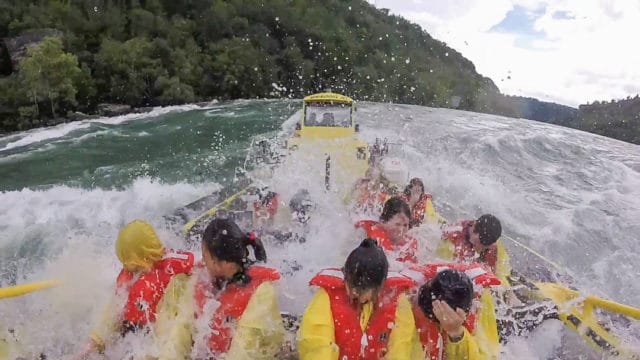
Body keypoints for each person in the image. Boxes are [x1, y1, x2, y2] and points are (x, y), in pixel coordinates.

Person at [153, 218, 284, 359]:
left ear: (217, 263)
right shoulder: (200, 281)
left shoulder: (261, 293)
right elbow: (180, 333)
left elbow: (243, 351)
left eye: (205, 256)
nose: (202, 261)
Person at [74, 220, 195, 359]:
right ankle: (92, 344)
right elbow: (115, 308)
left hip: (159, 328)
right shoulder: (132, 276)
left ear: (140, 258)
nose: (124, 265)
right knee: (113, 310)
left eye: (127, 260)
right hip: (135, 327)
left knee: (172, 302)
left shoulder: (172, 269)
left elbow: (198, 272)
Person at [297, 238, 421, 360]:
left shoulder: (397, 300)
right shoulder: (326, 296)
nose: (355, 293)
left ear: (380, 287)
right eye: (352, 286)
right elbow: (318, 346)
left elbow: (401, 349)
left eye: (362, 290)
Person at [409, 266, 501, 360]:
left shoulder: (480, 302)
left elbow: (489, 354)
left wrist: (456, 333)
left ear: (466, 313)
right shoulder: (406, 304)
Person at [436, 214, 511, 283]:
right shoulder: (455, 234)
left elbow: (492, 274)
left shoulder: (490, 244)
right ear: (474, 229)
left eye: (485, 246)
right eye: (480, 244)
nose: (481, 249)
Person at [355, 197, 417, 263]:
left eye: (405, 225)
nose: (401, 230)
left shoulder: (409, 244)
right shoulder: (366, 234)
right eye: (397, 224)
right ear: (383, 222)